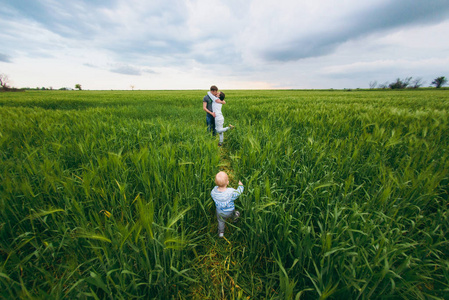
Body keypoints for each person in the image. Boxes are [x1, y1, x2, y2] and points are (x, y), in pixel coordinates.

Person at [210, 171, 244, 238]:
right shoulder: (231, 192)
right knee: (234, 214)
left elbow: (212, 195)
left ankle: (221, 233)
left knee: (221, 222)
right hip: (230, 211)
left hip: (220, 212)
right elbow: (238, 193)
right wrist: (241, 186)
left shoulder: (213, 192)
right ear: (227, 182)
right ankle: (235, 219)